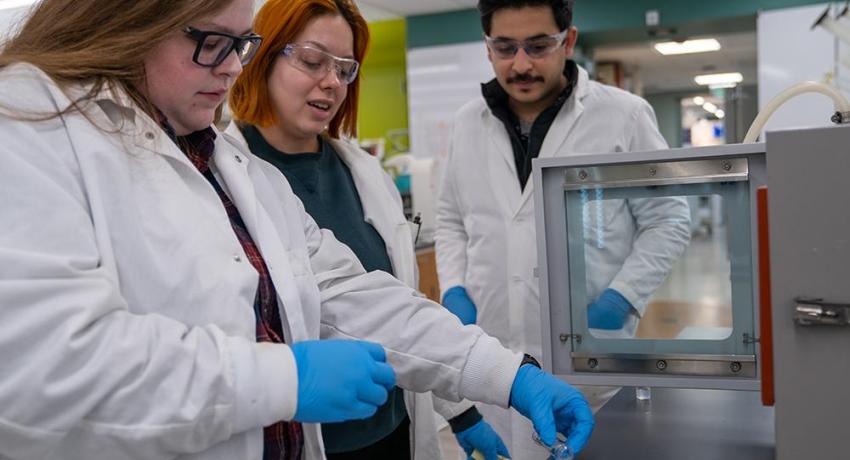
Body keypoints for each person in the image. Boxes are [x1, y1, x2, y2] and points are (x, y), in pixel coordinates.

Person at [0, 1, 593, 459]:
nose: (234, 65)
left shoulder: (233, 169)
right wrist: (285, 377)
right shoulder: (28, 123)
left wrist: (505, 374)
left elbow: (346, 294)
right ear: (131, 22)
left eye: (242, 44)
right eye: (214, 42)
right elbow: (43, 362)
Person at [226, 1, 507, 459]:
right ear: (262, 55)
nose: (332, 81)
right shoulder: (224, 177)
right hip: (302, 440)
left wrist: (462, 413)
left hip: (392, 430)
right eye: (313, 61)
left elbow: (397, 312)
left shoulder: (365, 175)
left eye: (345, 69)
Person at [435, 0, 691, 457]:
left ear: (567, 41)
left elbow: (669, 218)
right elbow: (451, 218)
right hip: (493, 357)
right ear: (487, 48)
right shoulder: (465, 124)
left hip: (586, 356)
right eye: (505, 47)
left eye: (538, 46)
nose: (521, 64)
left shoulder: (624, 116)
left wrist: (623, 296)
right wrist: (454, 286)